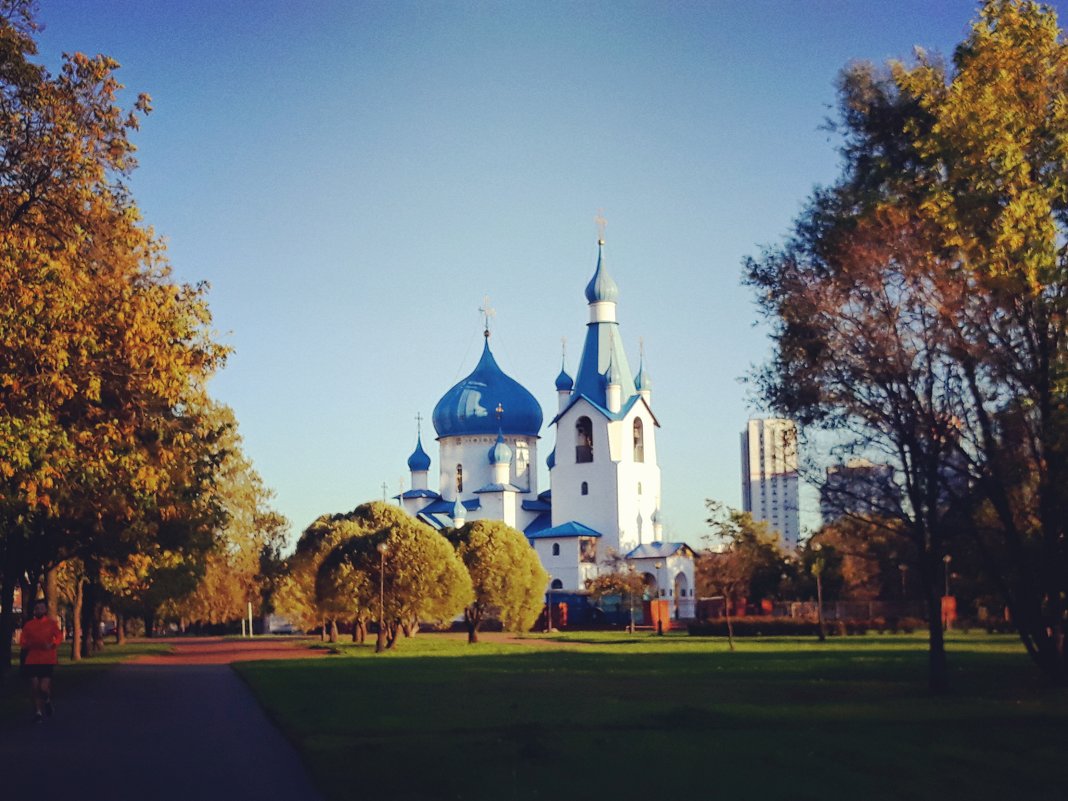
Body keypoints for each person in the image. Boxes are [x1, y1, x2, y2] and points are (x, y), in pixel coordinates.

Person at [19, 599, 62, 723]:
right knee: (34, 686)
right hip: (32, 659)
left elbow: (58, 636)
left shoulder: (51, 624)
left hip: (47, 659)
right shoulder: (29, 625)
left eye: (41, 608)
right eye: (37, 608)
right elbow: (22, 640)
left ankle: (47, 700)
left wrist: (53, 644)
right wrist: (27, 644)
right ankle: (38, 712)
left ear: (45, 610)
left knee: (43, 687)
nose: (39, 610)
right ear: (34, 610)